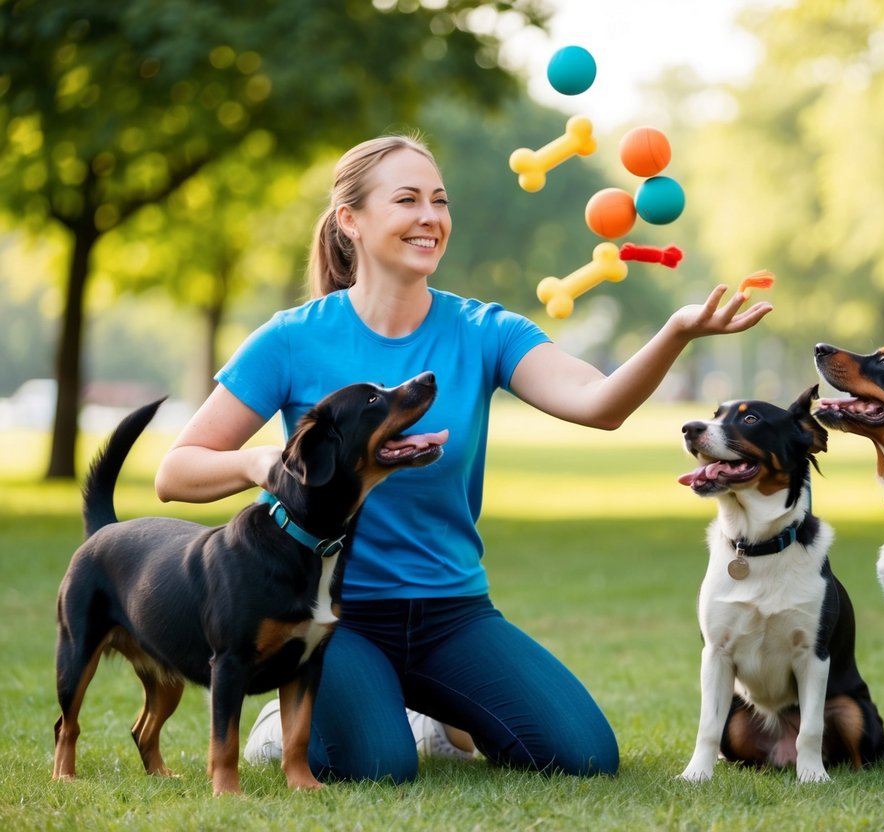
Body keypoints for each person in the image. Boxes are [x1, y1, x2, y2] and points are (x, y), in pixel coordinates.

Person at [154, 133, 772, 784]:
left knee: (582, 755)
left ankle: (423, 708)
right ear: (350, 221)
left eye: (439, 201)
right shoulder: (291, 338)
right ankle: (284, 718)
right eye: (407, 200)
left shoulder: (484, 331)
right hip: (331, 615)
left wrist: (674, 333)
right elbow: (177, 472)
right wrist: (262, 465)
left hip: (451, 610)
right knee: (377, 767)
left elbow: (598, 403)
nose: (430, 217)